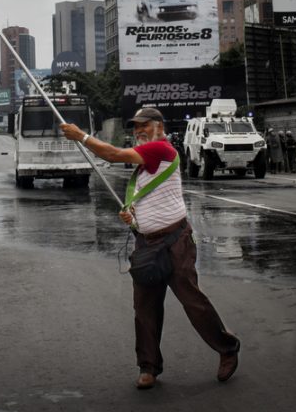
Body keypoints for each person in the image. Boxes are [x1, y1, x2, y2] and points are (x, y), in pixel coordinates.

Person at [60, 107, 240, 390]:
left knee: (192, 301)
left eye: (143, 126)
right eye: (135, 127)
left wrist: (81, 137)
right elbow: (147, 201)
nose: (137, 131)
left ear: (158, 126)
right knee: (145, 308)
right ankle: (148, 367)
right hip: (147, 245)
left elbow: (113, 155)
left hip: (176, 242)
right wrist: (132, 216)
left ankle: (227, 348)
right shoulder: (145, 167)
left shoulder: (160, 149)